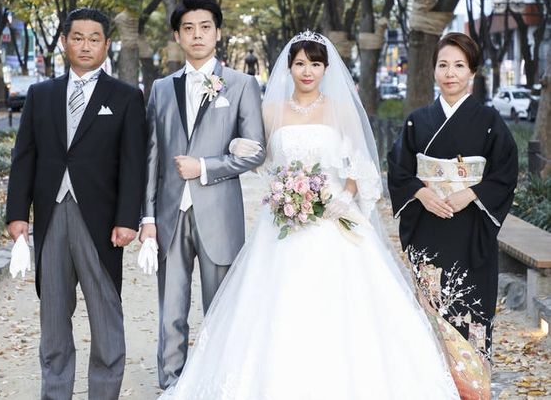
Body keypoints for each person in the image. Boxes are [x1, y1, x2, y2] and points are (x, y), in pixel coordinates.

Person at [168, 30, 459, 400]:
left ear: (325, 69)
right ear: (289, 67)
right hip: (282, 221)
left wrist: (346, 196)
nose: (308, 71)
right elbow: (260, 158)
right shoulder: (270, 111)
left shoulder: (340, 109)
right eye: (301, 64)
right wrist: (243, 149)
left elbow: (359, 163)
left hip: (333, 219)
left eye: (316, 64)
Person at [6, 8, 147, 400]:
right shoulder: (41, 95)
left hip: (101, 220)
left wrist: (128, 219)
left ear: (106, 44)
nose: (86, 45)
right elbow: (24, 156)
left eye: (94, 38)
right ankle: (55, 392)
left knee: (105, 315)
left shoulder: (125, 97)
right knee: (53, 315)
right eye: (78, 37)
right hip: (51, 215)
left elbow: (133, 163)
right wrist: (17, 214)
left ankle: (104, 393)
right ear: (65, 42)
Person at [139, 0, 266, 399]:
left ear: (218, 33)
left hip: (219, 213)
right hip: (169, 213)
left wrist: (206, 167)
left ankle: (218, 382)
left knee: (221, 307)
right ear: (177, 36)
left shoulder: (242, 85)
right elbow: (152, 156)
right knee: (171, 307)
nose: (197, 35)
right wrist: (147, 219)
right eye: (188, 28)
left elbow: (256, 150)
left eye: (205, 27)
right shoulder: (161, 88)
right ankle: (171, 383)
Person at [388, 32, 518, 360]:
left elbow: (505, 171)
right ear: (433, 69)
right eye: (443, 65)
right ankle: (431, 382)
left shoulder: (489, 121)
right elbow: (399, 169)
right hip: (428, 226)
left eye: (459, 65)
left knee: (470, 308)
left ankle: (471, 382)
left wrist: (472, 193)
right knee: (430, 312)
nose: (450, 73)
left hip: (472, 228)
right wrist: (421, 193)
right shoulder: (417, 121)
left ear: (472, 72)